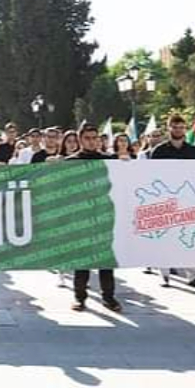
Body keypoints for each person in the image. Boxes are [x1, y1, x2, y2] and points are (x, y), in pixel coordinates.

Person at [67, 122, 121, 312]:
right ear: (80, 140)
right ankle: (79, 298)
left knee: (105, 260)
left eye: (94, 138)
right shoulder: (70, 162)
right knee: (82, 261)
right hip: (81, 217)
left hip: (104, 214)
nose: (91, 142)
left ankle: (109, 297)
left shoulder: (110, 160)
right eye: (87, 138)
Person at [147, 114, 195, 289]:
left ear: (185, 129)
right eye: (174, 127)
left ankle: (192, 275)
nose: (178, 130)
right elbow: (151, 176)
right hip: (165, 199)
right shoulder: (158, 151)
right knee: (164, 237)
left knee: (189, 238)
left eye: (181, 127)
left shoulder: (193, 151)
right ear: (169, 128)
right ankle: (164, 274)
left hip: (187, 199)